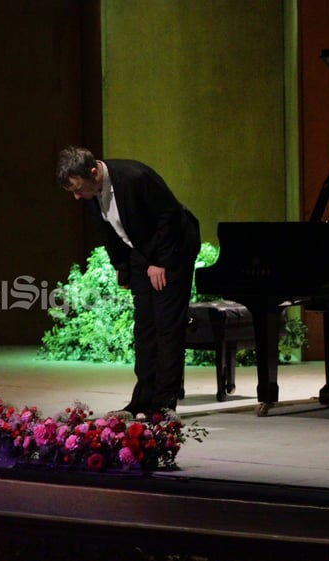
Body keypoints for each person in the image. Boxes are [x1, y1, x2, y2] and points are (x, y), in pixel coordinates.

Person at [56, 146, 201, 415]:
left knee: (166, 324)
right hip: (142, 250)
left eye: (78, 189)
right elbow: (109, 229)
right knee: (144, 325)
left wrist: (161, 262)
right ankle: (142, 399)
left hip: (174, 247)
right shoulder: (92, 191)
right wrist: (122, 267)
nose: (77, 197)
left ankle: (163, 401)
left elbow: (170, 216)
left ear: (93, 172)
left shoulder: (134, 177)